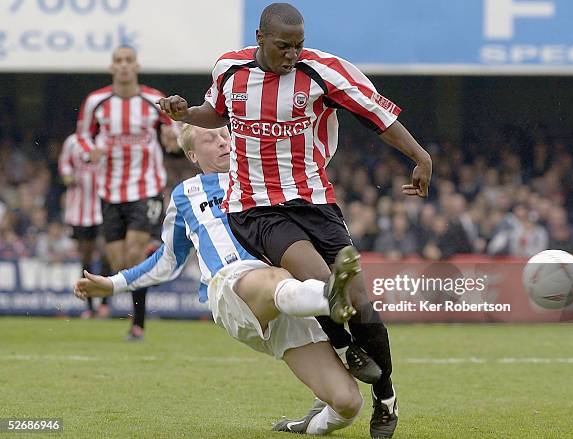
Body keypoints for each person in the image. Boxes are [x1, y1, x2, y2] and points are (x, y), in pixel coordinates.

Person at [158, 3, 433, 438]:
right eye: (284, 47)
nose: (292, 55)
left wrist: (419, 156)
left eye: (298, 46)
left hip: (315, 200)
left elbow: (376, 117)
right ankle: (344, 345)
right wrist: (185, 114)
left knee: (358, 297)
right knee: (321, 279)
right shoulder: (229, 69)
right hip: (256, 207)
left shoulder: (322, 72)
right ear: (261, 38)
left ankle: (386, 397)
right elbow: (215, 112)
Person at [73, 124, 362, 435]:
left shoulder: (263, 177)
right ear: (193, 155)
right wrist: (114, 283)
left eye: (225, 135)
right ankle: (331, 296)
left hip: (288, 296)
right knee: (273, 278)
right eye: (210, 139)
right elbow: (168, 261)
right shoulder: (186, 194)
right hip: (230, 289)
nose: (223, 142)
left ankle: (307, 426)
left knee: (348, 403)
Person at [76, 45, 178, 340]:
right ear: (112, 67)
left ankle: (138, 324)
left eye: (128, 61)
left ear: (137, 66)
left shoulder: (151, 99)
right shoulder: (96, 101)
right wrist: (90, 152)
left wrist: (171, 137)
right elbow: (82, 136)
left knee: (133, 254)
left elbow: (173, 131)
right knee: (120, 263)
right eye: (118, 61)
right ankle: (156, 258)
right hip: (109, 190)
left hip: (146, 187)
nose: (123, 66)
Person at [59, 133, 111, 318]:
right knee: (86, 256)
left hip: (104, 207)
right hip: (80, 210)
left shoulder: (108, 139)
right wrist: (68, 176)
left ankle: (105, 302)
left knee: (106, 254)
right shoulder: (72, 142)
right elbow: (64, 165)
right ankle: (89, 306)